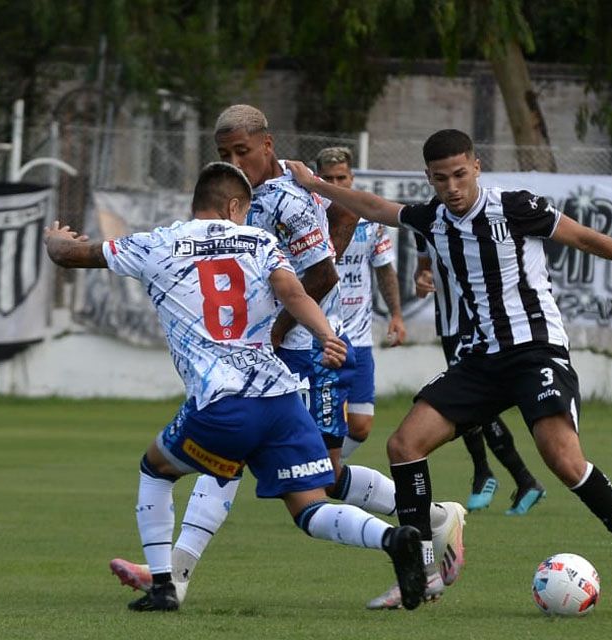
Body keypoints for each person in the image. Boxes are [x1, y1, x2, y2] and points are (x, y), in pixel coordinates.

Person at [285, 129, 612, 611]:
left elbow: (585, 237)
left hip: (536, 351)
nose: (453, 187)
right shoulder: (433, 218)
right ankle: (423, 573)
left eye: (461, 175)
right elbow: (374, 206)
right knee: (403, 446)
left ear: (477, 167)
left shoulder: (516, 207)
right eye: (441, 178)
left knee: (564, 460)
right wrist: (315, 184)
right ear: (430, 178)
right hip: (480, 360)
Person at [108, 107, 465, 609]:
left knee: (320, 480)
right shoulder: (242, 199)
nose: (235, 161)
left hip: (303, 355)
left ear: (268, 145)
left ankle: (428, 527)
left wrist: (274, 334)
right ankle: (176, 576)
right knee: (237, 465)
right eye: (225, 154)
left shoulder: (292, 196)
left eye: (243, 152)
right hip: (266, 363)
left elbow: (321, 274)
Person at [44, 161, 429, 611]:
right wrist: (326, 334)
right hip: (281, 396)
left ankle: (165, 586)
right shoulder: (260, 241)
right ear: (233, 206)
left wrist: (56, 242)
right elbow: (295, 293)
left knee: (156, 469)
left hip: (221, 399)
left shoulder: (157, 243)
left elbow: (74, 255)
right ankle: (392, 537)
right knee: (309, 506)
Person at [412, 238, 546, 515]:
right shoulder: (422, 221)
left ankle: (501, 476)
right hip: (447, 325)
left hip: (473, 324)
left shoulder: (472, 218)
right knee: (464, 404)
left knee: (467, 403)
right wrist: (422, 278)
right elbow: (423, 268)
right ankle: (509, 478)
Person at [312, 147, 406, 460]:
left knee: (361, 426)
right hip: (319, 334)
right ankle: (318, 474)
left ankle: (324, 468)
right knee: (317, 420)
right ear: (317, 179)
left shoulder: (369, 219)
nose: (336, 183)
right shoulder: (308, 217)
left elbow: (383, 268)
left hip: (360, 336)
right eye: (328, 178)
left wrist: (396, 315)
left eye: (342, 177)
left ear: (351, 178)